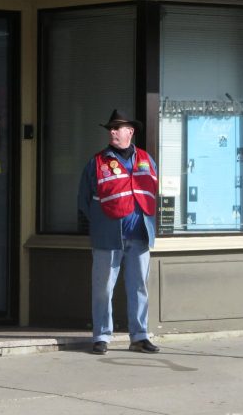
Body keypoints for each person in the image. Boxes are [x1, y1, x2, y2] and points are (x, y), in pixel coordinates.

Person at [77, 109, 160, 355]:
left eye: (118, 127)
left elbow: (153, 193)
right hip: (108, 237)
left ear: (130, 132)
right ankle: (102, 336)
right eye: (110, 128)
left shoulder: (147, 159)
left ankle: (140, 336)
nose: (113, 132)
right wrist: (102, 222)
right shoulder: (97, 162)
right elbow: (84, 200)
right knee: (103, 288)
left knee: (139, 288)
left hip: (140, 236)